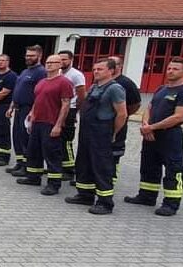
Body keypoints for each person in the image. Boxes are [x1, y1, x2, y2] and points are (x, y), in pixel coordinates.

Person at [125, 58, 183, 216]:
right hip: (151, 135)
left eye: (175, 69)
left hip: (170, 136)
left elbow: (178, 117)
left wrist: (152, 127)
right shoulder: (161, 89)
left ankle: (171, 204)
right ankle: (146, 196)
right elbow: (149, 108)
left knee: (173, 169)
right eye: (169, 68)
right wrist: (145, 125)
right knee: (149, 166)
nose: (170, 71)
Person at [65, 59, 127, 215]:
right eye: (94, 69)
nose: (96, 71)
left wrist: (114, 133)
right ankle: (85, 194)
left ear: (111, 71)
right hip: (87, 132)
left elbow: (122, 114)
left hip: (102, 132)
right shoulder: (94, 87)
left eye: (100, 69)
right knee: (84, 163)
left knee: (102, 167)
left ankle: (105, 202)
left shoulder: (115, 89)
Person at [16, 55, 73, 195]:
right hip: (37, 122)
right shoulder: (42, 82)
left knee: (52, 154)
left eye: (53, 63)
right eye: (48, 62)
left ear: (60, 65)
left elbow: (66, 104)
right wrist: (32, 116)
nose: (49, 65)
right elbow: (37, 100)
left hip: (51, 122)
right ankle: (33, 177)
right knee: (33, 151)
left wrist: (58, 125)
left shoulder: (63, 82)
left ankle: (54, 184)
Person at [7, 45, 46, 176]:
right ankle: (20, 162)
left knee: (26, 138)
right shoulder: (25, 72)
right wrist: (11, 106)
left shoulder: (41, 72)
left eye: (32, 56)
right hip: (18, 108)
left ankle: (28, 166)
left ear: (39, 56)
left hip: (28, 109)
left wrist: (33, 112)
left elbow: (40, 94)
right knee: (17, 137)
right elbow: (17, 90)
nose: (28, 58)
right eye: (27, 55)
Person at [108, 56, 142, 184]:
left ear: (119, 66)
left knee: (113, 154)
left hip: (117, 125)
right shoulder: (101, 81)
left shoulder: (126, 83)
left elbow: (135, 104)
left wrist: (123, 115)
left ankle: (110, 181)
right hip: (101, 125)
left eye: (113, 64)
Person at [59, 50, 87, 180]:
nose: (62, 62)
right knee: (58, 140)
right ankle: (60, 165)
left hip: (70, 109)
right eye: (60, 59)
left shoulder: (76, 75)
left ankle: (69, 169)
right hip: (58, 109)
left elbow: (81, 94)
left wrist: (76, 111)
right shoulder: (59, 73)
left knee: (66, 141)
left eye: (64, 59)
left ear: (71, 60)